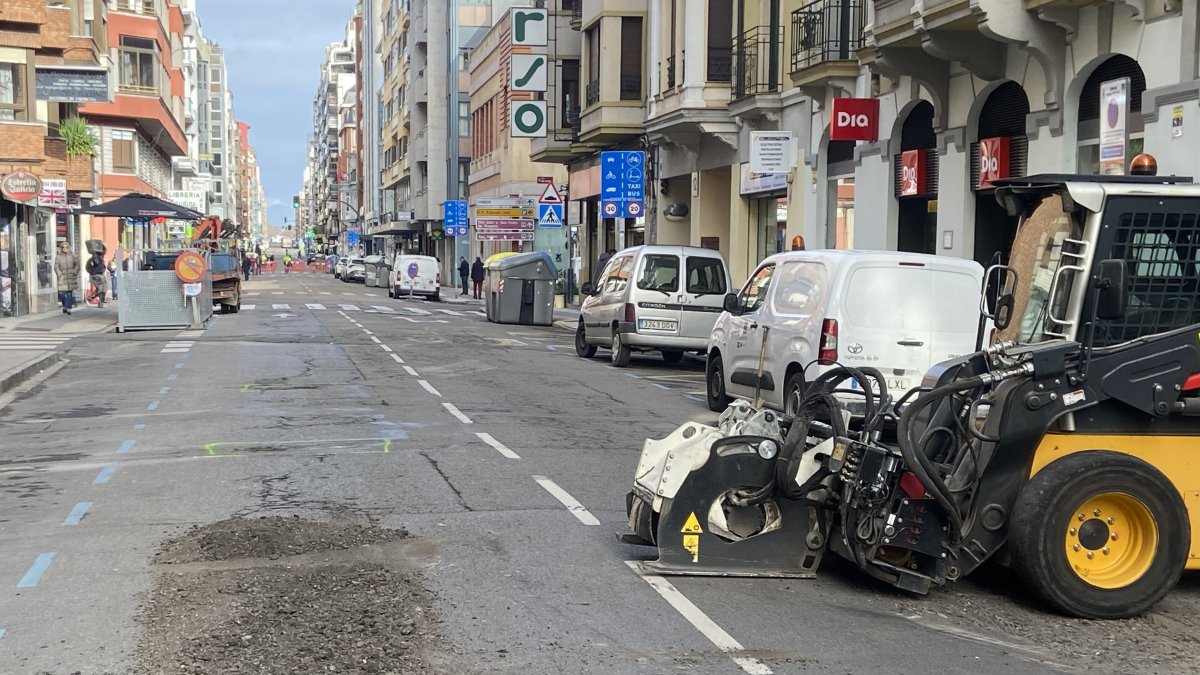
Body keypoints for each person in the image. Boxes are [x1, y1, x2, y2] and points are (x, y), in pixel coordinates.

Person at [54, 242, 79, 315]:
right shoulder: (58, 257)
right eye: (63, 247)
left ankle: (67, 308)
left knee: (69, 293)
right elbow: (56, 267)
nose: (65, 249)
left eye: (66, 247)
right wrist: (59, 274)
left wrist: (74, 272)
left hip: (71, 277)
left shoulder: (73, 256)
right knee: (61, 293)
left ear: (69, 248)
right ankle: (65, 306)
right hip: (63, 277)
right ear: (61, 248)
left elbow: (77, 265)